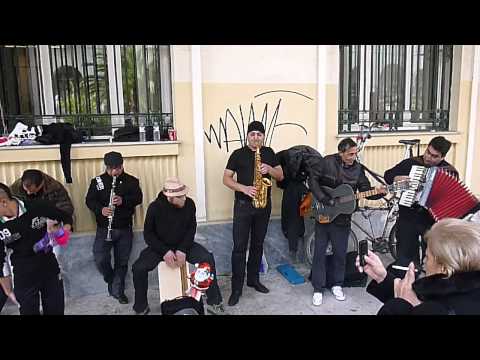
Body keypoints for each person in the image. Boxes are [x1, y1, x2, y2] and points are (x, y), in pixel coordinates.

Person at [308, 138, 386, 306]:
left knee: (340, 253)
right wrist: (323, 198)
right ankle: (318, 289)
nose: (353, 157)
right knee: (319, 253)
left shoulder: (358, 170)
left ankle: (337, 285)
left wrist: (379, 193)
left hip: (342, 219)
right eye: (350, 154)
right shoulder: (327, 162)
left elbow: (365, 190)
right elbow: (312, 180)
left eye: (355, 153)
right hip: (323, 212)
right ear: (341, 152)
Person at [132, 177, 224, 315]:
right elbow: (148, 235)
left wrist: (182, 249)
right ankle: (141, 307)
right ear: (170, 198)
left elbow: (191, 228)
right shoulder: (155, 208)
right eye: (181, 197)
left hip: (183, 245)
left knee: (207, 259)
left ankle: (214, 302)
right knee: (138, 268)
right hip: (160, 248)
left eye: (184, 195)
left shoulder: (189, 204)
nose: (185, 199)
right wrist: (165, 251)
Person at [357, 218, 480, 315]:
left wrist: (400, 305)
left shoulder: (438, 310)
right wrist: (382, 277)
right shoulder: (466, 294)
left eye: (427, 257)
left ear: (444, 268)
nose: (424, 262)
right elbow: (417, 301)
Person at [223, 121, 284, 306]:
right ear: (247, 136)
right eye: (252, 134)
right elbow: (226, 178)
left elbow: (280, 176)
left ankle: (253, 279)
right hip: (243, 206)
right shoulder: (237, 154)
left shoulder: (269, 152)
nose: (256, 137)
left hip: (263, 206)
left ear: (263, 136)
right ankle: (236, 288)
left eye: (259, 134)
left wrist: (269, 169)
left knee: (258, 244)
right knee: (239, 248)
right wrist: (244, 188)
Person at [384, 136, 458, 274]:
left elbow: (450, 199)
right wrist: (395, 178)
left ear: (442, 157)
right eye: (428, 152)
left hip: (431, 222)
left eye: (434, 156)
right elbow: (388, 175)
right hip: (408, 217)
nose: (428, 157)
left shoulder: (450, 172)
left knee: (432, 259)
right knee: (405, 259)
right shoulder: (411, 163)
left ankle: (427, 288)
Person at [0, 182, 72, 315]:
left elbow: (65, 217)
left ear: (3, 202)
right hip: (23, 273)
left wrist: (65, 230)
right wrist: (7, 290)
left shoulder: (36, 206)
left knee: (55, 309)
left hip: (49, 266)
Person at [86, 151, 143, 305]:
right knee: (100, 258)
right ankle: (111, 279)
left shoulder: (132, 181)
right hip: (104, 228)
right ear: (106, 167)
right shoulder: (97, 181)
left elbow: (138, 198)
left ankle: (119, 291)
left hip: (124, 228)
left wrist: (123, 201)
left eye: (117, 168)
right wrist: (101, 210)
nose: (114, 172)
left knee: (122, 262)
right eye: (111, 169)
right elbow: (89, 201)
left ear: (122, 165)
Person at [11, 169, 75, 294]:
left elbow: (67, 208)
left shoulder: (54, 187)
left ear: (41, 184)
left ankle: (54, 282)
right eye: (26, 189)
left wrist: (55, 220)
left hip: (50, 228)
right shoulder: (15, 189)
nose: (29, 192)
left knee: (56, 256)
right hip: (26, 232)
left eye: (33, 190)